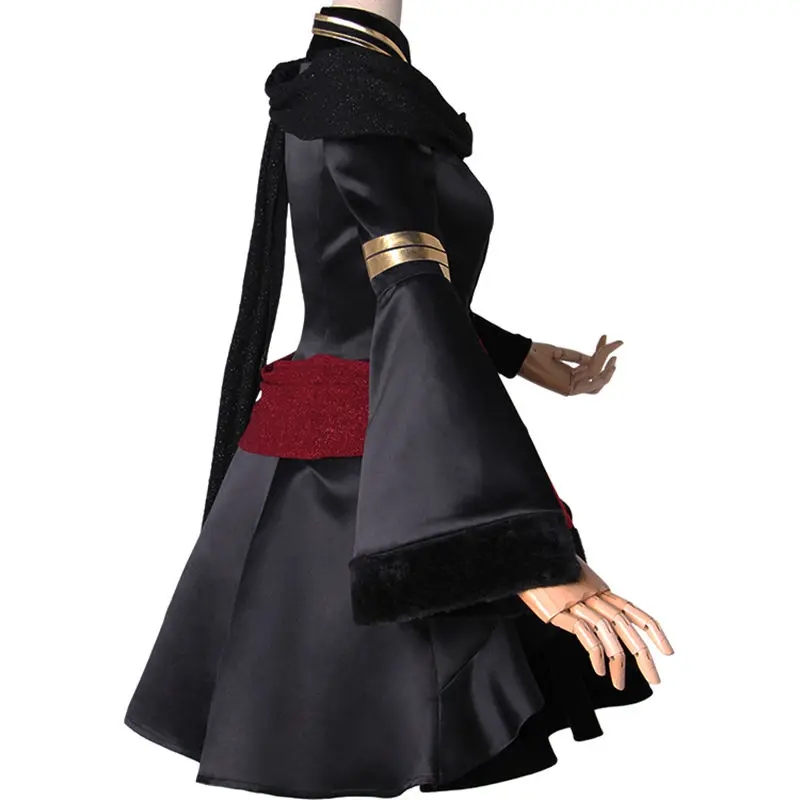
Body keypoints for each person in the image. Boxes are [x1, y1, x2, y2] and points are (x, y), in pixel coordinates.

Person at [124, 3, 673, 796]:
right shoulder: (353, 93)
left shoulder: (354, 83)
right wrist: (516, 557)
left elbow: (386, 286)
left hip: (375, 434)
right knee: (349, 738)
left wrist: (517, 354)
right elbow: (406, 293)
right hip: (364, 477)